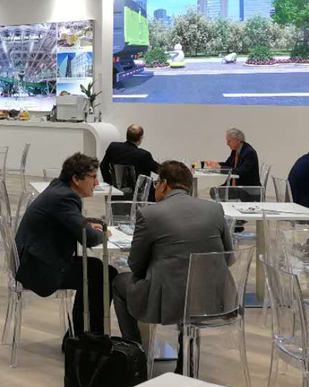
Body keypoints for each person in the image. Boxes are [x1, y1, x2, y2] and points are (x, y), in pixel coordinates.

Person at [113, 160, 233, 374]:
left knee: (119, 282)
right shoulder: (214, 209)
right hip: (215, 298)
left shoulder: (149, 214)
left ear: (164, 183)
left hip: (168, 301)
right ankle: (187, 363)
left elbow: (136, 265)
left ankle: (135, 358)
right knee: (189, 288)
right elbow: (228, 257)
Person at [15, 153, 117, 340]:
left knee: (99, 270)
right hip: (37, 268)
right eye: (93, 177)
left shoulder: (59, 189)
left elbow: (72, 223)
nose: (96, 183)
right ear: (76, 179)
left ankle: (80, 334)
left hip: (33, 258)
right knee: (103, 274)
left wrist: (85, 225)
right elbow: (90, 239)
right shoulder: (65, 197)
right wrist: (104, 233)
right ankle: (87, 337)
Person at [99, 124, 160, 192]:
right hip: (138, 194)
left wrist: (110, 183)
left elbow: (103, 166)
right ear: (140, 138)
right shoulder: (144, 155)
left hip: (116, 192)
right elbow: (159, 170)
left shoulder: (113, 147)